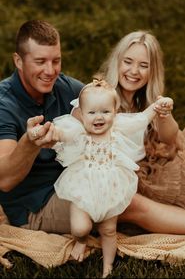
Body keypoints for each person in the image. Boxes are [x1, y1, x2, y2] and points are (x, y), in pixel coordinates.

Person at [0, 19, 185, 256]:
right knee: (123, 201)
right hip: (35, 206)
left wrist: (150, 113)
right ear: (18, 60)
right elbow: (5, 180)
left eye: (56, 61)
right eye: (40, 62)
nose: (50, 71)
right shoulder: (4, 105)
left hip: (75, 178)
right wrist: (30, 142)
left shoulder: (62, 86)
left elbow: (99, 111)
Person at [93, 30, 185, 220]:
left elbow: (168, 138)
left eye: (143, 66)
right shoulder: (102, 96)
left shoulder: (144, 98)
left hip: (157, 154)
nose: (134, 71)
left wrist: (164, 114)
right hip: (136, 175)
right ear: (117, 61)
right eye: (128, 62)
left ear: (152, 71)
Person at [46, 79, 172, 277]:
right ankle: (81, 240)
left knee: (108, 230)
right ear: (82, 114)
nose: (99, 118)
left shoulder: (118, 128)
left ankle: (108, 267)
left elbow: (140, 119)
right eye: (92, 112)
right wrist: (49, 133)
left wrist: (157, 106)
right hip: (83, 186)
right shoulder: (79, 131)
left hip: (111, 187)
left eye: (105, 112)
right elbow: (62, 134)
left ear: (115, 111)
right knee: (80, 228)